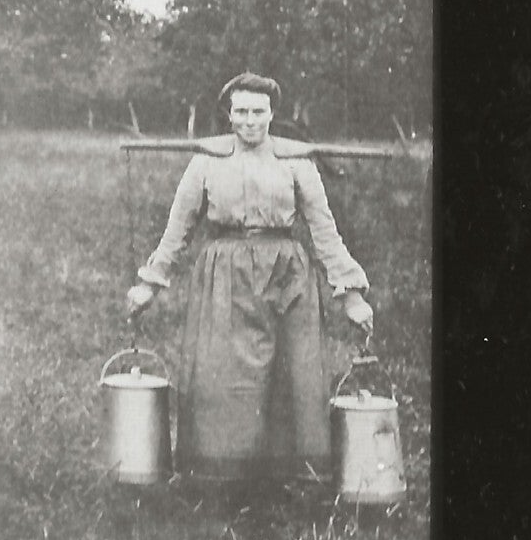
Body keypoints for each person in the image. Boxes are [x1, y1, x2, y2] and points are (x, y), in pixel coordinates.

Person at [126, 72, 374, 483]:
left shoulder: (297, 162)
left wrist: (351, 295)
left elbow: (324, 230)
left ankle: (286, 477)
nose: (249, 121)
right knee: (226, 378)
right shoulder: (206, 161)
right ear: (229, 114)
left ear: (272, 114)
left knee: (289, 375)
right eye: (240, 111)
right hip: (225, 277)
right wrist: (150, 283)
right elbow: (179, 228)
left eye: (258, 111)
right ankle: (223, 477)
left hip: (286, 276)